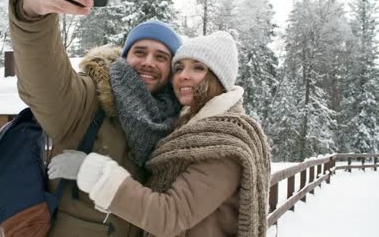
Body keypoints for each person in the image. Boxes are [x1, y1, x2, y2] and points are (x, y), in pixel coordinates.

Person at [48, 31, 272, 237]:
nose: (183, 76)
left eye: (198, 68)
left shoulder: (224, 143)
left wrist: (91, 170)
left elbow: (168, 216)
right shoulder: (184, 127)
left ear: (219, 78)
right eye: (179, 68)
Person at [8, 0, 182, 236]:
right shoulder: (90, 99)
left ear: (171, 69)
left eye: (161, 57)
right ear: (125, 57)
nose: (148, 62)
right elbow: (44, 80)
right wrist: (31, 14)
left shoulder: (178, 122)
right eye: (139, 52)